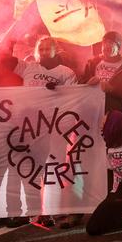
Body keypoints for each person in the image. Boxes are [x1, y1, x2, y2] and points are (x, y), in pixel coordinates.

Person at [11, 36, 78, 228]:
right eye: (41, 48)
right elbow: (4, 61)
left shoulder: (65, 72)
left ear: (56, 50)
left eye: (49, 48)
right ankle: (30, 211)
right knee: (28, 170)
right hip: (28, 126)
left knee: (52, 171)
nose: (44, 51)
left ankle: (53, 213)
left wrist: (59, 91)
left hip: (53, 128)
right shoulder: (28, 67)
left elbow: (74, 97)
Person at [80, 31, 122, 115]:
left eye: (111, 43)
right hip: (92, 111)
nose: (106, 46)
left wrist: (112, 89)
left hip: (114, 113)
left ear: (118, 47)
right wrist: (87, 83)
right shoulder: (92, 63)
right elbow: (80, 84)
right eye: (104, 42)